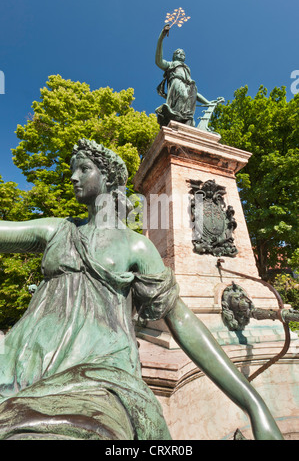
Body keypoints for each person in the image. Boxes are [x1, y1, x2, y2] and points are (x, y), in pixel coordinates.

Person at [0, 139, 283, 440]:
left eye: (84, 169)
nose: (73, 177)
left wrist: (254, 405)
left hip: (96, 378)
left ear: (108, 178)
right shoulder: (57, 229)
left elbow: (184, 322)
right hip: (23, 363)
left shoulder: (136, 246)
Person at [155, 25, 215, 127]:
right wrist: (161, 38)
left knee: (189, 102)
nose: (182, 54)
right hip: (176, 84)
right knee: (181, 97)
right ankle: (174, 118)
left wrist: (208, 103)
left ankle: (185, 122)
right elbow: (158, 61)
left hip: (187, 87)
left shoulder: (187, 70)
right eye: (179, 53)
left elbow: (194, 93)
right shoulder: (171, 64)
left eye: (183, 54)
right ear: (174, 56)